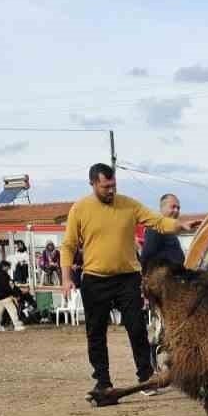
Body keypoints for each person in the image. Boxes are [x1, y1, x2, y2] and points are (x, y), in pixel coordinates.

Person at [61, 164, 189, 400]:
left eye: (114, 185)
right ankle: (102, 382)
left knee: (137, 329)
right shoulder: (80, 209)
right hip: (95, 279)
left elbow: (157, 221)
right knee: (96, 333)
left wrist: (178, 226)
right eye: (105, 186)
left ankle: (146, 378)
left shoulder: (128, 204)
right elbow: (68, 245)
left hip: (127, 278)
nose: (111, 190)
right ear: (93, 184)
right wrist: (67, 278)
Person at [141, 192, 189, 269]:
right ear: (162, 208)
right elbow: (146, 256)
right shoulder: (155, 227)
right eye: (173, 207)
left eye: (178, 208)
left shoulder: (170, 230)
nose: (176, 210)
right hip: (163, 275)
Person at [0, 260, 25, 331]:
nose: (8, 269)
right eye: (8, 267)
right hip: (5, 296)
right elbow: (8, 286)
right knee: (12, 311)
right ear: (4, 266)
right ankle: (17, 325)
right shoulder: (4, 275)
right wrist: (14, 294)